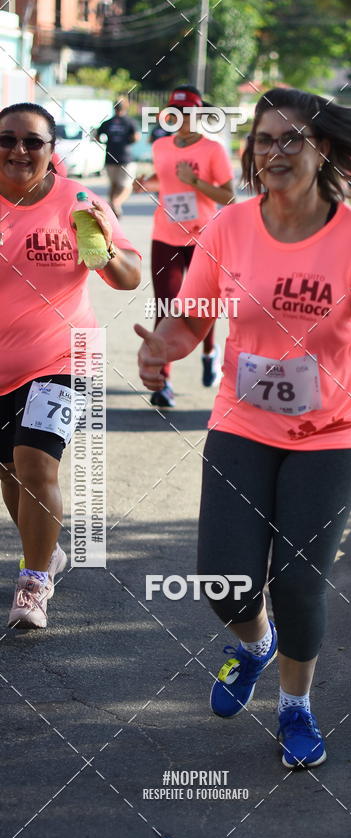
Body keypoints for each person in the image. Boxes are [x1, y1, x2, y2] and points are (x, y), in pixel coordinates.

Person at [135, 87, 351, 768]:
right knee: (224, 580)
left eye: (294, 138)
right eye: (266, 139)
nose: (278, 151)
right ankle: (256, 645)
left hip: (333, 430)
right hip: (243, 420)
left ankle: (296, 707)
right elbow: (194, 316)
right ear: (251, 152)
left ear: (323, 151)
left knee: (297, 579)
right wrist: (160, 347)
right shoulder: (228, 227)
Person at [0, 102, 141, 629]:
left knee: (36, 464)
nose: (18, 150)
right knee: (11, 470)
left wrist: (106, 249)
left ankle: (34, 581)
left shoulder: (79, 203)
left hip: (64, 356)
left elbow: (127, 278)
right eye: (7, 139)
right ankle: (47, 553)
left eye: (32, 142)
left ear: (51, 150)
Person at [134, 85, 235, 406]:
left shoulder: (213, 150)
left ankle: (208, 353)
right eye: (175, 113)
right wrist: (145, 183)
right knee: (166, 305)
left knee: (201, 306)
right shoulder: (161, 146)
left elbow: (228, 195)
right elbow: (164, 181)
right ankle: (163, 382)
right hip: (165, 234)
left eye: (189, 113)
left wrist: (196, 183)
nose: (182, 119)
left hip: (204, 236)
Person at [96, 97, 140, 218]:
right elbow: (136, 137)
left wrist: (107, 143)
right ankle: (116, 203)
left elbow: (97, 136)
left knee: (114, 185)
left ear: (114, 107)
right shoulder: (130, 122)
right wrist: (127, 141)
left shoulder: (107, 122)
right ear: (126, 107)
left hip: (110, 157)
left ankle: (111, 211)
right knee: (127, 185)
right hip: (125, 158)